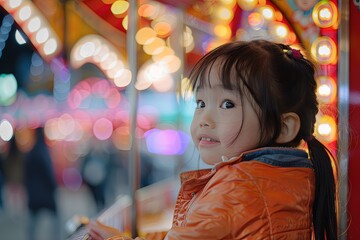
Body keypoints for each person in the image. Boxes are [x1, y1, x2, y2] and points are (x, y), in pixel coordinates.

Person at [87, 40, 338, 240]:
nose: (204, 119)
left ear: (284, 127)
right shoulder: (286, 177)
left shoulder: (238, 186)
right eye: (201, 102)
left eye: (227, 104)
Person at [24, 127, 60, 240]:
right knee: (55, 219)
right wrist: (53, 186)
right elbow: (48, 172)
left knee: (32, 223)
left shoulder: (30, 152)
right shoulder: (43, 151)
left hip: (33, 193)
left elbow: (26, 174)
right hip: (45, 193)